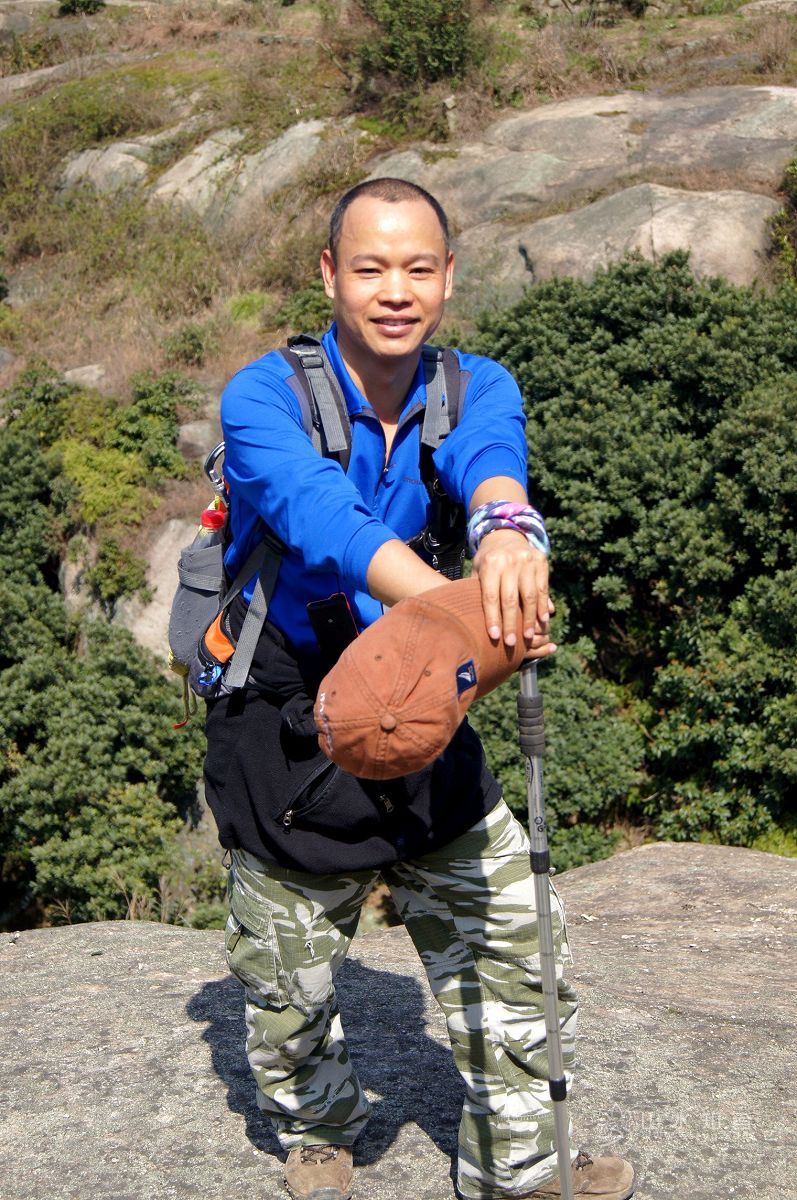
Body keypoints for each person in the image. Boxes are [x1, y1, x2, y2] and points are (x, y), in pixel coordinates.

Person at [204, 177, 634, 1200]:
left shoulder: (472, 383)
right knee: (287, 980)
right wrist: (457, 610)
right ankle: (320, 1129)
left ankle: (519, 1164)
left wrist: (507, 532)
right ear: (328, 275)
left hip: (427, 699)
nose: (393, 291)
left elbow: (489, 459)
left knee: (513, 940)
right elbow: (322, 517)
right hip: (291, 707)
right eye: (368, 267)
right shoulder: (261, 398)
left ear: (446, 277)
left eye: (416, 268)